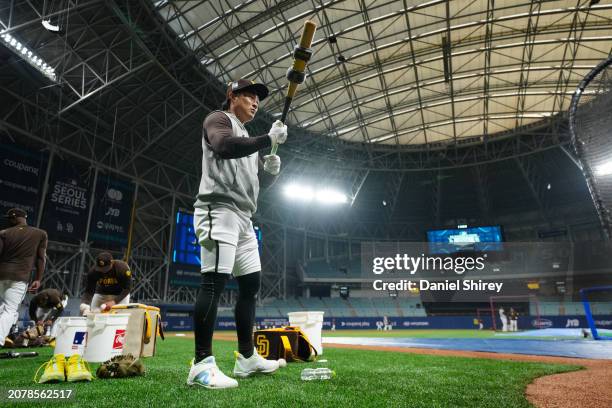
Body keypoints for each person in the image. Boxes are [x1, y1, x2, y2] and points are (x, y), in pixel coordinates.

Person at [187, 79, 287, 389]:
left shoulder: (245, 134)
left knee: (250, 285)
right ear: (232, 97)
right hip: (218, 210)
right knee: (214, 283)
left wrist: (270, 172)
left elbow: (254, 187)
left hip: (244, 217)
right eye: (248, 96)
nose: (255, 102)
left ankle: (246, 358)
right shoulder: (219, 120)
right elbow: (223, 147)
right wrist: (266, 138)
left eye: (258, 98)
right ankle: (201, 365)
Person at [0, 208, 47, 348]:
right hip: (20, 277)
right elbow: (41, 259)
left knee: (3, 308)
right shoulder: (40, 234)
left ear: (12, 219)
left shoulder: (3, 233)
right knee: (10, 310)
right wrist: (38, 279)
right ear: (25, 218)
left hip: (1, 275)